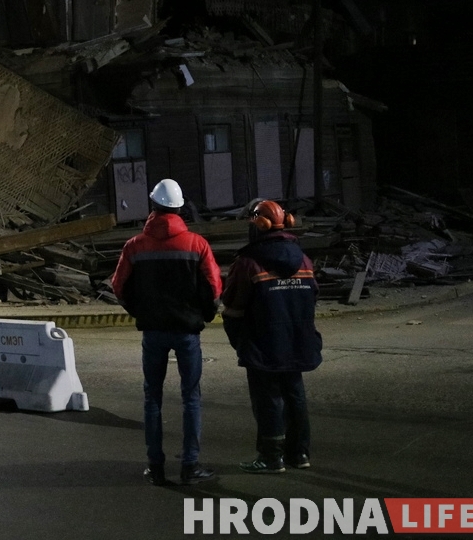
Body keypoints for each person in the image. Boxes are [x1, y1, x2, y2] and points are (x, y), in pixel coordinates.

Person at [111, 178, 222, 486]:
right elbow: (214, 288)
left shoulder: (134, 246)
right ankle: (189, 466)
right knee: (191, 398)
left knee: (152, 399)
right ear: (179, 208)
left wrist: (139, 312)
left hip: (154, 332)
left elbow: (118, 286)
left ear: (154, 207)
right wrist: (205, 315)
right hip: (187, 331)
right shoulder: (197, 244)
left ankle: (155, 467)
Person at [222, 199, 323, 474]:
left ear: (259, 225)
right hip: (297, 341)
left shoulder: (248, 263)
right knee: (295, 396)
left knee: (267, 400)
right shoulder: (303, 259)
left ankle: (271, 457)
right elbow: (312, 298)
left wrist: (241, 340)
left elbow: (233, 305)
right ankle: (299, 453)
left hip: (262, 343)